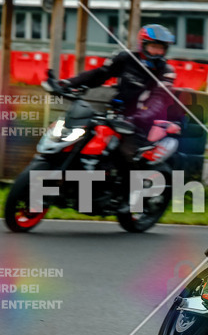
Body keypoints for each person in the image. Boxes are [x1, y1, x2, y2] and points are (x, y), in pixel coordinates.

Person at [52, 24, 178, 210]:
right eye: (153, 46)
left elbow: (159, 100)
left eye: (161, 48)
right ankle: (71, 185)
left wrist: (138, 118)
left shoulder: (166, 71)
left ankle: (129, 198)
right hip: (115, 114)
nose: (157, 51)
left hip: (142, 123)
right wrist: (68, 83)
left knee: (127, 154)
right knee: (82, 140)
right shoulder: (125, 58)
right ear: (142, 44)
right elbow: (99, 75)